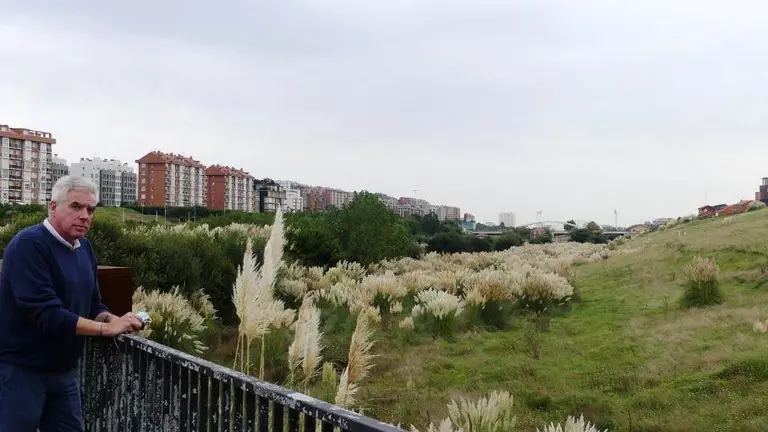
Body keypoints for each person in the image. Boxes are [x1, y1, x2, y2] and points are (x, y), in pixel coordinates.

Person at [0, 175, 144, 431]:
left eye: (90, 209)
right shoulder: (28, 245)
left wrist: (115, 320)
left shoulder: (84, 248)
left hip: (64, 372)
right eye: (76, 206)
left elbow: (92, 306)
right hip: (20, 371)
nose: (85, 215)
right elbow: (46, 314)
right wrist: (105, 330)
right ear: (53, 207)